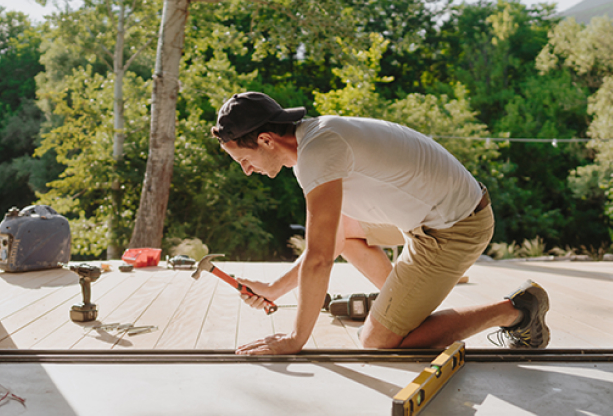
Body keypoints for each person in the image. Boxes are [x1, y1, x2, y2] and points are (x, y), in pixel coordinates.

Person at [211, 92, 550, 355]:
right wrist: (273, 290)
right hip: (433, 213)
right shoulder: (314, 139)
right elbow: (337, 239)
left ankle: (517, 310)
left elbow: (319, 258)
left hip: (455, 227)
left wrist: (296, 338)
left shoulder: (319, 152)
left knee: (377, 343)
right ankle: (401, 305)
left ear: (267, 140)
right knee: (352, 241)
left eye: (244, 159)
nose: (246, 169)